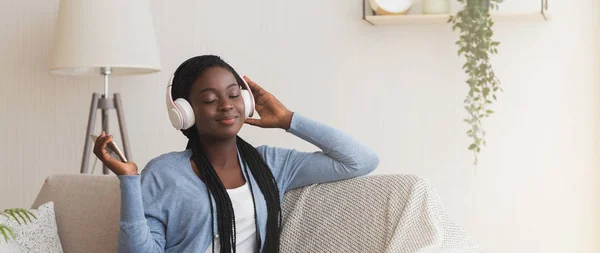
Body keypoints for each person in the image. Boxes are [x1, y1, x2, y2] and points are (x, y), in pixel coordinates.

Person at [93, 55, 379, 253]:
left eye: (233, 94)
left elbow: (360, 160)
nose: (226, 105)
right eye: (209, 99)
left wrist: (288, 119)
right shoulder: (163, 173)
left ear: (246, 101)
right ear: (185, 113)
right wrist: (129, 181)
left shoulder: (272, 164)